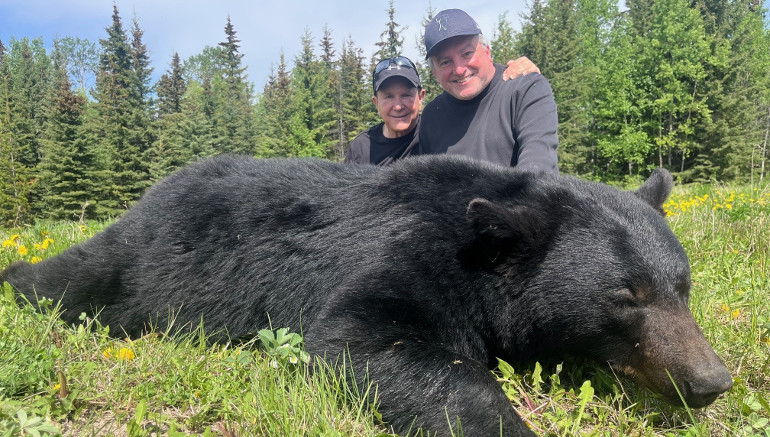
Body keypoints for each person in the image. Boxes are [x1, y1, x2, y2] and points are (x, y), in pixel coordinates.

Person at [418, 8, 559, 172]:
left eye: (467, 53)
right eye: (445, 62)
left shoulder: (525, 89)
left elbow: (538, 170)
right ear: (435, 73)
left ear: (487, 51)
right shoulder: (431, 117)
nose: (459, 69)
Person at [345, 55, 541, 166]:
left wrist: (521, 71)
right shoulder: (361, 149)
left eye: (406, 95)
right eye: (388, 97)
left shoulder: (436, 130)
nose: (398, 105)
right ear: (376, 102)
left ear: (421, 97)